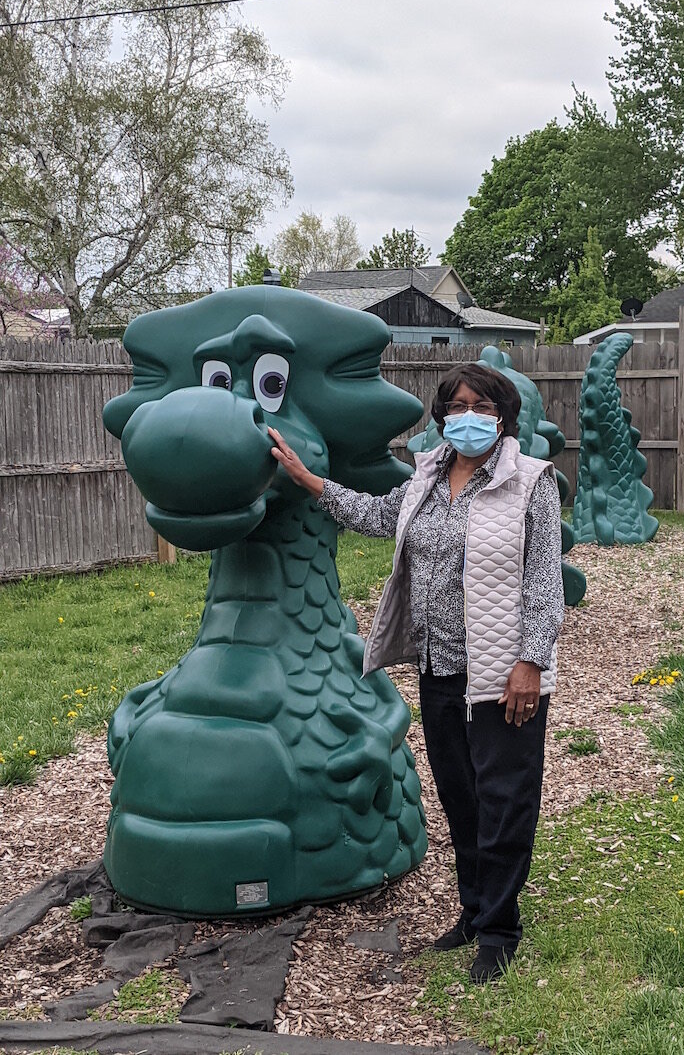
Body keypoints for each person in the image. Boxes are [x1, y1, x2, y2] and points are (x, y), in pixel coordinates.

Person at [269, 363, 564, 984]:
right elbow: (378, 516)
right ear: (441, 416)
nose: (469, 416)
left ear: (503, 417)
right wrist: (309, 482)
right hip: (439, 666)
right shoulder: (427, 476)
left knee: (504, 798)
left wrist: (530, 663)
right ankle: (473, 909)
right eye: (456, 405)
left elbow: (544, 582)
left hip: (501, 671)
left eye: (482, 405)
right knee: (459, 794)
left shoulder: (531, 482)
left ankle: (501, 926)